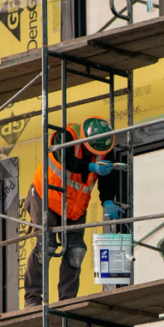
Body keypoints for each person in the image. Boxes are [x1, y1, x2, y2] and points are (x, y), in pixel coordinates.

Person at [24, 117, 124, 307]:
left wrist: (108, 200)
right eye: (90, 151)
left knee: (76, 250)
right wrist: (91, 167)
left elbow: (108, 178)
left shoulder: (105, 148)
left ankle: (67, 299)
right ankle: (32, 299)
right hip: (45, 197)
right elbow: (67, 161)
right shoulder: (66, 137)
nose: (92, 155)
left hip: (74, 206)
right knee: (46, 246)